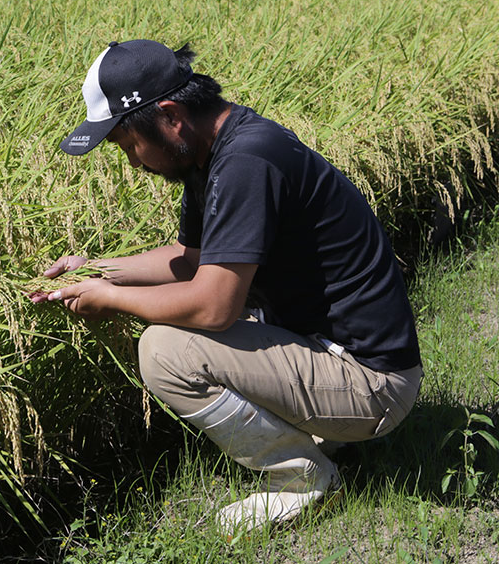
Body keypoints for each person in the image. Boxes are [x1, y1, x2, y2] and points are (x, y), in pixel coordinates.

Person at [32, 39, 422, 533]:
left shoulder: (245, 161)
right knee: (192, 327)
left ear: (171, 116)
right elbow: (191, 259)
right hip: (333, 353)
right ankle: (322, 436)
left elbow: (214, 305)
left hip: (373, 383)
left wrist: (110, 299)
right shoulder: (213, 155)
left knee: (165, 350)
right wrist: (97, 271)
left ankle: (303, 479)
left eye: (129, 144)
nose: (133, 162)